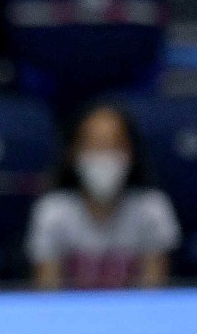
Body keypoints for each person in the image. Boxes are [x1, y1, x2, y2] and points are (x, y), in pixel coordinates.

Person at [27, 102, 179, 290]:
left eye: (113, 145)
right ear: (72, 153)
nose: (104, 156)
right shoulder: (53, 211)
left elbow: (154, 292)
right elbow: (48, 293)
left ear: (131, 152)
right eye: (94, 145)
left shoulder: (152, 208)